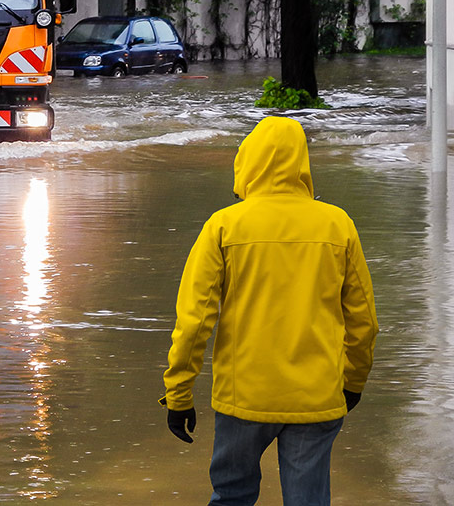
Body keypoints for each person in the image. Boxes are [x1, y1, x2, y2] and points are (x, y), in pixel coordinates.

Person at [159, 116, 378, 506]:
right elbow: (363, 322)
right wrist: (353, 381)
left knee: (232, 495)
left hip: (244, 396)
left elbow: (194, 321)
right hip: (315, 397)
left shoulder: (224, 227)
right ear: (302, 162)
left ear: (248, 160)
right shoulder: (337, 225)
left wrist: (179, 394)